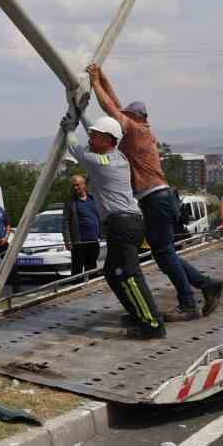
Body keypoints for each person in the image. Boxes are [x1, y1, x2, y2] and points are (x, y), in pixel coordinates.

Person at [86, 63, 223, 320]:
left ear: (137, 118)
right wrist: (102, 76)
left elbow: (111, 109)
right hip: (158, 198)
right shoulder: (139, 129)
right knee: (164, 253)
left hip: (155, 199)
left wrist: (94, 83)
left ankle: (189, 304)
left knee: (164, 253)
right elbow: (115, 104)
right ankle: (206, 285)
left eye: (127, 115)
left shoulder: (136, 130)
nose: (122, 118)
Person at [66, 114, 165, 339]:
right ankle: (138, 313)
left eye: (95, 136)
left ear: (109, 141)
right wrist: (82, 115)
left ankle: (153, 324)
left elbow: (76, 150)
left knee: (130, 274)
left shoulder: (101, 162)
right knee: (112, 272)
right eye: (90, 134)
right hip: (127, 222)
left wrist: (68, 130)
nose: (90, 138)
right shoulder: (117, 155)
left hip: (123, 224)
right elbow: (99, 137)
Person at [62, 173, 102, 275]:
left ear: (84, 185)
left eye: (78, 185)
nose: (76, 187)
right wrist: (67, 239)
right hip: (79, 242)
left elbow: (100, 216)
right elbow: (65, 222)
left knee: (92, 268)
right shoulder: (70, 202)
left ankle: (91, 289)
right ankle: (77, 288)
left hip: (94, 240)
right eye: (74, 185)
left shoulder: (93, 199)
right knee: (77, 269)